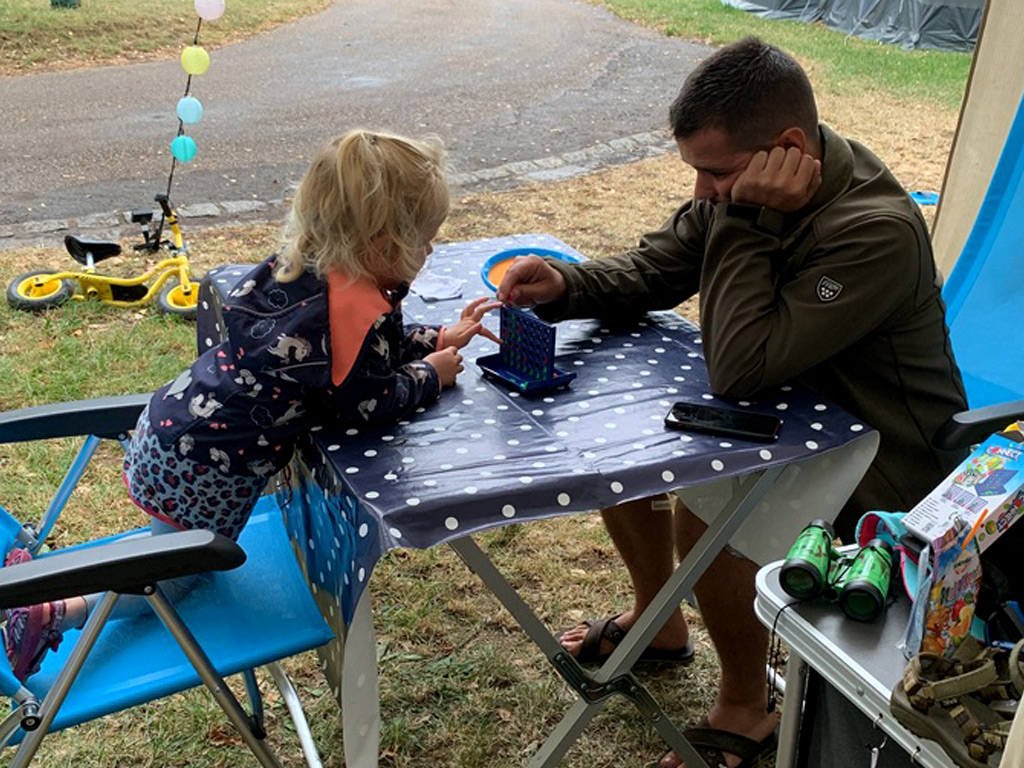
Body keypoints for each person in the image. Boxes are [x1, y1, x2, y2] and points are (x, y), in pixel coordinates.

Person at [498, 37, 968, 768]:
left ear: (784, 146)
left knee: (705, 507)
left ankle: (746, 710)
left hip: (882, 464)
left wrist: (747, 224)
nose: (702, 193)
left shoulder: (873, 229)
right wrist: (568, 286)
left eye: (713, 174)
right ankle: (660, 622)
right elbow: (661, 264)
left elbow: (740, 367)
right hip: (787, 421)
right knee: (632, 447)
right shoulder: (744, 183)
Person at [3, 129, 500, 683]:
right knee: (171, 579)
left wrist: (433, 338)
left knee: (169, 553)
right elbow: (368, 400)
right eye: (423, 240)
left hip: (174, 427)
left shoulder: (304, 267)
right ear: (381, 246)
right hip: (207, 471)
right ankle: (49, 609)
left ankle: (45, 582)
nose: (429, 252)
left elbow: (359, 357)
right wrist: (431, 375)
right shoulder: (351, 311)